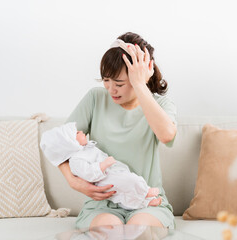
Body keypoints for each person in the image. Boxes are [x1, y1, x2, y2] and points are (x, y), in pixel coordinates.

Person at [59, 32, 177, 229]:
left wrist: (140, 85)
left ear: (142, 73)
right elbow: (60, 143)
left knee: (139, 230)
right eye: (106, 80)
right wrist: (74, 182)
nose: (111, 89)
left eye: (120, 83)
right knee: (110, 231)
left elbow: (166, 136)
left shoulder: (160, 104)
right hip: (102, 204)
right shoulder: (95, 99)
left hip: (148, 202)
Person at [40, 122, 162, 210]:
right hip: (104, 180)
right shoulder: (75, 161)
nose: (82, 132)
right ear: (70, 143)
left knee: (123, 195)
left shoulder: (84, 149)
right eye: (77, 132)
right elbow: (88, 174)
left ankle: (145, 202)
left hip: (111, 174)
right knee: (129, 181)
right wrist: (103, 165)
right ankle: (145, 192)